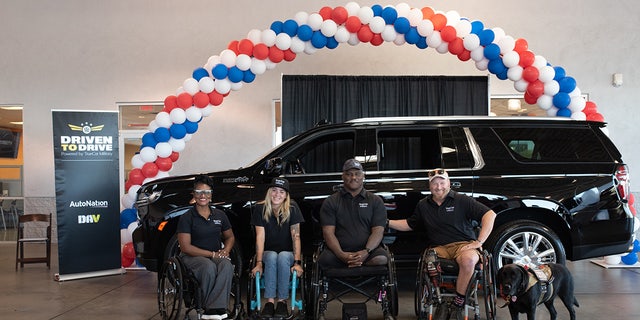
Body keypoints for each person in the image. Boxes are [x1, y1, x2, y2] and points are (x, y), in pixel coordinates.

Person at [388, 168, 496, 318]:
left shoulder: (461, 200)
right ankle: (438, 300)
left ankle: (458, 302)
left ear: (449, 183)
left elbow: (490, 214)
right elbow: (409, 224)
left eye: (442, 182)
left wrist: (479, 241)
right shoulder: (423, 205)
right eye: (435, 183)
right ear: (429, 186)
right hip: (439, 248)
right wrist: (387, 222)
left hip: (463, 245)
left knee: (469, 259)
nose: (439, 187)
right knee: (429, 260)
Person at [176, 175, 235, 320]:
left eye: (207, 192)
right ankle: (208, 309)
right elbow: (185, 247)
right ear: (194, 194)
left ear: (211, 195)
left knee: (226, 265)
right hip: (191, 257)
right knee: (208, 267)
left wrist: (226, 250)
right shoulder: (187, 217)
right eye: (199, 192)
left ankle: (214, 309)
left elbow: (230, 237)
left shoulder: (220, 215)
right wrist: (213, 254)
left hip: (214, 255)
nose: (203, 195)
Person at [318, 158, 388, 269]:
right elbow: (328, 233)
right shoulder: (331, 201)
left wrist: (366, 252)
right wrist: (341, 255)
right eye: (349, 174)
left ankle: (357, 262)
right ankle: (355, 262)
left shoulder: (375, 200)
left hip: (368, 252)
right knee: (323, 260)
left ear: (363, 176)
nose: (353, 177)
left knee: (381, 259)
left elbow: (378, 231)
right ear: (343, 177)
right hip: (339, 252)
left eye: (357, 174)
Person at [250, 177, 304, 318]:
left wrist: (297, 263)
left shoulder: (292, 208)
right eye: (274, 190)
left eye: (281, 192)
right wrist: (259, 263)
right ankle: (269, 302)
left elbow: (296, 236)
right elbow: (260, 237)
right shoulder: (260, 208)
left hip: (288, 254)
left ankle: (281, 302)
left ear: (286, 195)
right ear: (269, 192)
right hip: (268, 253)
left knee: (283, 256)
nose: (277, 194)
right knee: (274, 255)